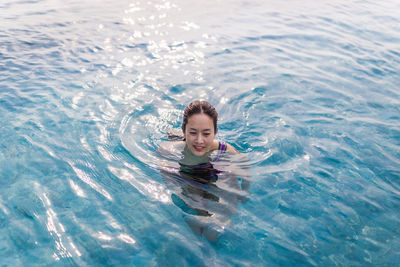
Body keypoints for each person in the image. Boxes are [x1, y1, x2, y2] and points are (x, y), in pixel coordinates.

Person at [157, 100, 251, 242]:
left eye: (206, 134)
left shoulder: (224, 149)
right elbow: (172, 184)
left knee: (217, 226)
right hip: (186, 176)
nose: (200, 140)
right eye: (193, 132)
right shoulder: (168, 151)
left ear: (215, 132)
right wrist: (194, 203)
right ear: (184, 131)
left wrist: (245, 189)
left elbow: (245, 167)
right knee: (196, 223)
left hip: (211, 173)